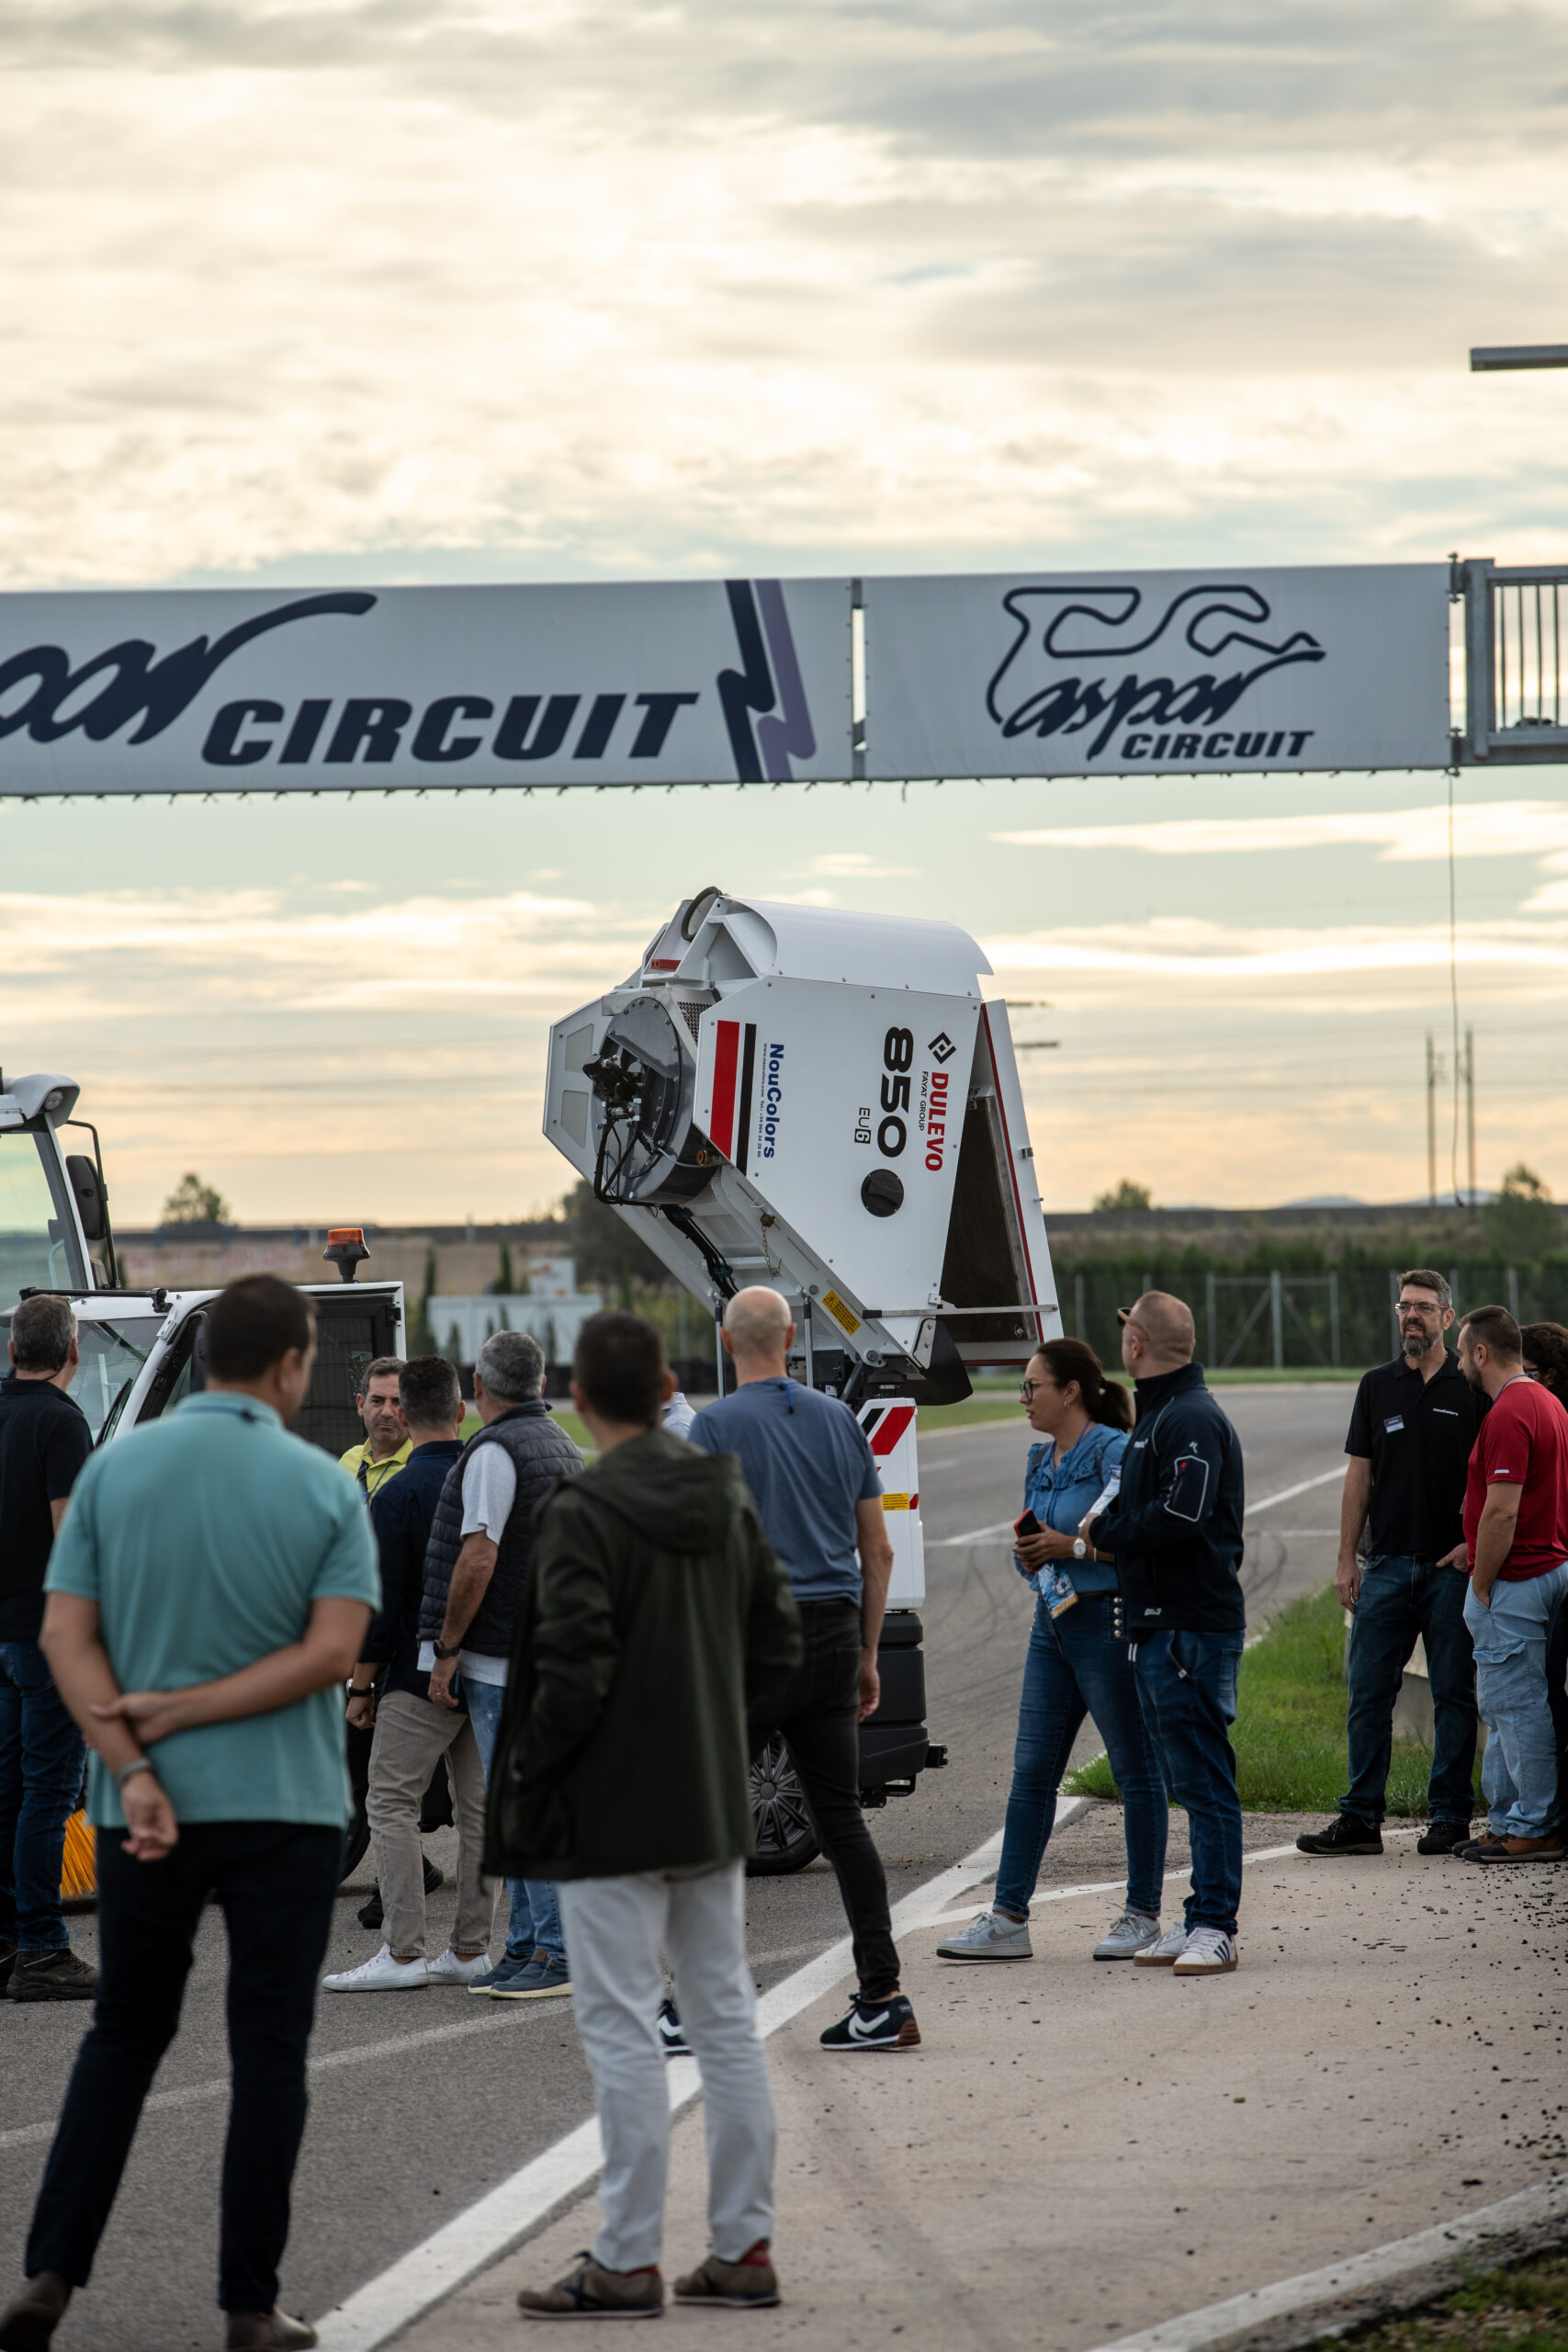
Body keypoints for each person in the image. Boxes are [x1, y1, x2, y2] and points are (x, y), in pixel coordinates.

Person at [0, 1275, 378, 2352]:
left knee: (122, 2032)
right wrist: (199, 1706)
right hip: (287, 1805)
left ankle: (50, 2275)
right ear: (293, 1365)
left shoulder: (115, 1468)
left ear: (206, 1357)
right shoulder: (320, 1485)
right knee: (268, 2049)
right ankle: (248, 2305)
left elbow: (69, 1636)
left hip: (143, 1806)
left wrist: (137, 1754)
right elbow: (332, 1651)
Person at [490, 1312, 801, 2321]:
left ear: (580, 1398)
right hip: (709, 1802)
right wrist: (715, 1724)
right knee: (724, 2020)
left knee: (621, 2027)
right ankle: (743, 2246)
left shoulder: (584, 1510)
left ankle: (626, 2258)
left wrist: (536, 1768)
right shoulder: (721, 1490)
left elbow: (572, 1670)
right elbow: (778, 1640)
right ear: (668, 1382)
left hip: (611, 1813)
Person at [688, 1286, 919, 2052]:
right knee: (841, 1821)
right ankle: (882, 1994)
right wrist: (864, 1651)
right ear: (791, 1336)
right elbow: (877, 1550)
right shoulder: (837, 1420)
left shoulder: (713, 1427)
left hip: (752, 1636)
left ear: (728, 1344)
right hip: (828, 1634)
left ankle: (703, 2003)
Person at [938, 1339, 1168, 1965]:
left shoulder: (1115, 1453)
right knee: (1031, 1772)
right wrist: (1032, 1554)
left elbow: (1145, 1543)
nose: (1022, 1399)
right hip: (1053, 1623)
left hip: (1107, 1622)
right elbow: (1042, 1534)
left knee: (1135, 1772)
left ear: (1069, 1390)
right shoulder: (1041, 1456)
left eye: (1031, 1387)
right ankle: (1008, 1918)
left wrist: (1069, 1548)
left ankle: (1142, 1914)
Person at [1083, 1291, 1246, 1978]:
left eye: (1126, 1332)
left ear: (1137, 1345)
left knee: (1204, 1782)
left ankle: (1215, 1924)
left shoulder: (1189, 1417)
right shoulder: (1161, 1416)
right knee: (1187, 1780)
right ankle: (1197, 1915)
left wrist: (1103, 1535)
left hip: (1190, 1629)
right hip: (1159, 1625)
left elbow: (1180, 1513)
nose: (1121, 1341)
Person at [1298, 1270, 1483, 1861]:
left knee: (1455, 1695)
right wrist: (1345, 1558)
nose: (1411, 1316)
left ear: (1448, 1319)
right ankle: (1360, 1819)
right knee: (1367, 1694)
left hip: (1451, 1570)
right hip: (1384, 1568)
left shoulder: (1471, 1388)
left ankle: (1450, 1817)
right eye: (1404, 1306)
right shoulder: (1377, 1385)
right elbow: (1360, 1476)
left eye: (1424, 1308)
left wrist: (1475, 1548)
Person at [420, 1329, 582, 1997]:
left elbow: (478, 1556)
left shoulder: (493, 1452)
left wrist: (448, 1648)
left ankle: (555, 1952)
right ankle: (523, 1945)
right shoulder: (559, 1442)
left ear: (479, 1387)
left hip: (503, 1661)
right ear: (540, 1383)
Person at [323, 1355, 491, 1993]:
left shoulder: (398, 1494)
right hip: (487, 1672)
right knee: (476, 1809)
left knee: (388, 1802)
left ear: (411, 1414)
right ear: (457, 1410)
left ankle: (402, 1954)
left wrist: (361, 1686)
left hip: (416, 1674)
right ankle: (472, 1947)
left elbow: (380, 1603)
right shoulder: (484, 1477)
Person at [0, 1295, 97, 2004]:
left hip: (1, 1635)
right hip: (44, 1633)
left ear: (11, 1351)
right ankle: (41, 1947)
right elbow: (72, 1541)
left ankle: (7, 1937)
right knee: (50, 1792)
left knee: (7, 1789)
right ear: (73, 1353)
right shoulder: (62, 1423)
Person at [1453, 1304, 1568, 1862]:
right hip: (1548, 1568)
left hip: (1517, 1578)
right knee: (1503, 1706)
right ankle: (1508, 1818)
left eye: (1461, 1353)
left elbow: (1502, 1512)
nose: (1458, 1365)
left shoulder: (1508, 1412)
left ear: (1482, 1353)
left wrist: (1481, 1581)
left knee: (1518, 1707)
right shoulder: (1547, 1402)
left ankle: (1535, 1824)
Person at [1520, 1322, 1568, 1817]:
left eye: (1529, 1372)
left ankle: (1543, 1816)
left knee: (1539, 1696)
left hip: (1548, 1566)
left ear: (1551, 1375)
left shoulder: (1543, 1413)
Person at [338, 1357, 410, 1498]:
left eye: (397, 1402)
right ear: (360, 1404)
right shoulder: (348, 1460)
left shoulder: (418, 1467)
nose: (387, 1412)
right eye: (377, 1401)